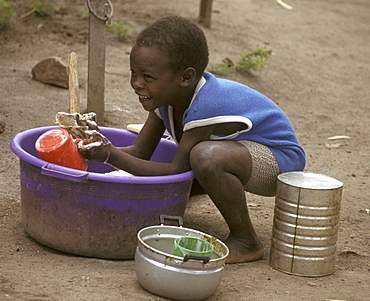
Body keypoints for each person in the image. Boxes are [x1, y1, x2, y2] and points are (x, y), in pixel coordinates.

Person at [78, 15, 306, 264]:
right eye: (133, 73)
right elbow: (140, 151)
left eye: (147, 77)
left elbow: (177, 168)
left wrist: (110, 154)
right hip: (240, 152)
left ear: (185, 78)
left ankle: (246, 241)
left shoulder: (205, 103)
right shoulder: (165, 100)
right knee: (195, 159)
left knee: (204, 157)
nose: (136, 84)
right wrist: (96, 143)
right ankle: (165, 208)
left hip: (278, 162)